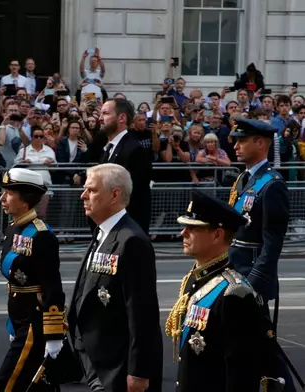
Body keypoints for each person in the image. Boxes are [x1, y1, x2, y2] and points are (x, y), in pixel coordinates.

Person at [168, 189, 288, 391]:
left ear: (217, 235)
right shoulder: (195, 278)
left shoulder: (234, 293)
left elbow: (242, 374)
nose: (183, 232)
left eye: (193, 228)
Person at [65, 163, 163, 392]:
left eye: (92, 190)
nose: (83, 195)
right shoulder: (103, 232)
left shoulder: (131, 240)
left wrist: (138, 371)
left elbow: (142, 313)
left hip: (117, 367)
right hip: (95, 359)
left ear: (115, 195)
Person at [0, 168, 64, 392]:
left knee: (5, 385)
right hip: (19, 320)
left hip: (35, 324)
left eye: (8, 193)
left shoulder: (42, 235)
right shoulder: (12, 227)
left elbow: (53, 286)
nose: (2, 198)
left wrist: (54, 335)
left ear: (25, 199)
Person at [228, 118, 289, 306]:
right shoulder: (242, 178)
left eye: (242, 141)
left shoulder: (272, 184)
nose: (236, 147)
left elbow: (272, 243)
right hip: (234, 272)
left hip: (251, 279)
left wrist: (253, 283)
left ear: (260, 143)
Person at [98, 98, 152, 234]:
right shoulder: (109, 148)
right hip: (111, 225)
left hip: (126, 229)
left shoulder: (134, 149)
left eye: (105, 113)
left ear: (121, 118)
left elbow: (129, 192)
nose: (100, 118)